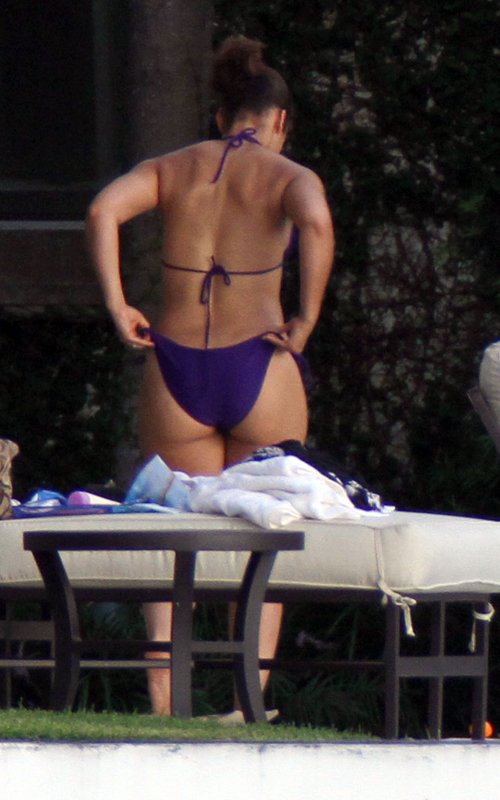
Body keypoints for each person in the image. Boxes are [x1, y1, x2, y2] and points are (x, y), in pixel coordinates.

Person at [86, 35, 334, 716]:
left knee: (172, 530)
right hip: (259, 364)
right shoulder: (288, 176)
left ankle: (166, 703)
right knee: (265, 534)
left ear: (223, 117)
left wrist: (118, 306)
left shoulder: (173, 166)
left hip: (176, 368)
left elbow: (102, 209)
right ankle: (248, 701)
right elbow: (316, 222)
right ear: (279, 119)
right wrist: (306, 318)